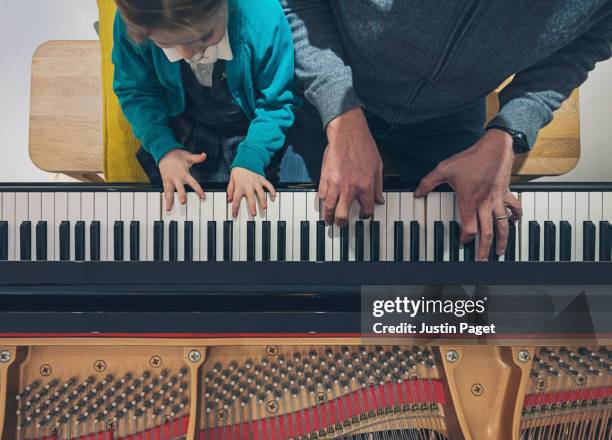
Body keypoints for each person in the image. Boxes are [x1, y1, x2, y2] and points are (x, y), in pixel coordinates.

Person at [281, 0, 612, 260]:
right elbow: (298, 3)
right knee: (293, 247)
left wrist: (507, 133)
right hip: (322, 92)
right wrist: (340, 112)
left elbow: (585, 44)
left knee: (465, 279)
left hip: (450, 116)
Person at [113, 0, 300, 217]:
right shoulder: (138, 18)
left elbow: (277, 101)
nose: (188, 54)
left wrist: (252, 158)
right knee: (190, 223)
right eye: (167, 44)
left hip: (259, 128)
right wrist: (164, 148)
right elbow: (137, 91)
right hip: (188, 129)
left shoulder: (262, 16)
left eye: (205, 36)